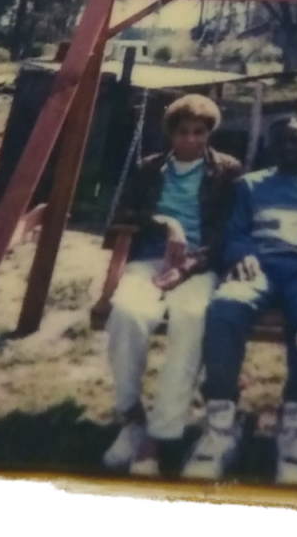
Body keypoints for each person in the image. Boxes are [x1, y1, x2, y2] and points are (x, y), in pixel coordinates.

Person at [181, 115, 297, 486]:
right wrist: (241, 253)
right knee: (226, 305)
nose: (289, 148)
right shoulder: (251, 186)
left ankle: (295, 427)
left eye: (296, 140)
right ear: (270, 148)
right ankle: (220, 425)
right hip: (261, 269)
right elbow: (237, 232)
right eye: (280, 143)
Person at [99, 93, 243, 477]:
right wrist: (167, 223)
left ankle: (159, 435)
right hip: (149, 260)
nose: (192, 140)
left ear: (209, 133)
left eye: (200, 132)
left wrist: (189, 266)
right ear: (171, 133)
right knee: (128, 313)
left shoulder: (227, 171)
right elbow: (124, 214)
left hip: (201, 264)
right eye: (184, 132)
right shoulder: (149, 168)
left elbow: (228, 233)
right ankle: (131, 417)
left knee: (192, 317)